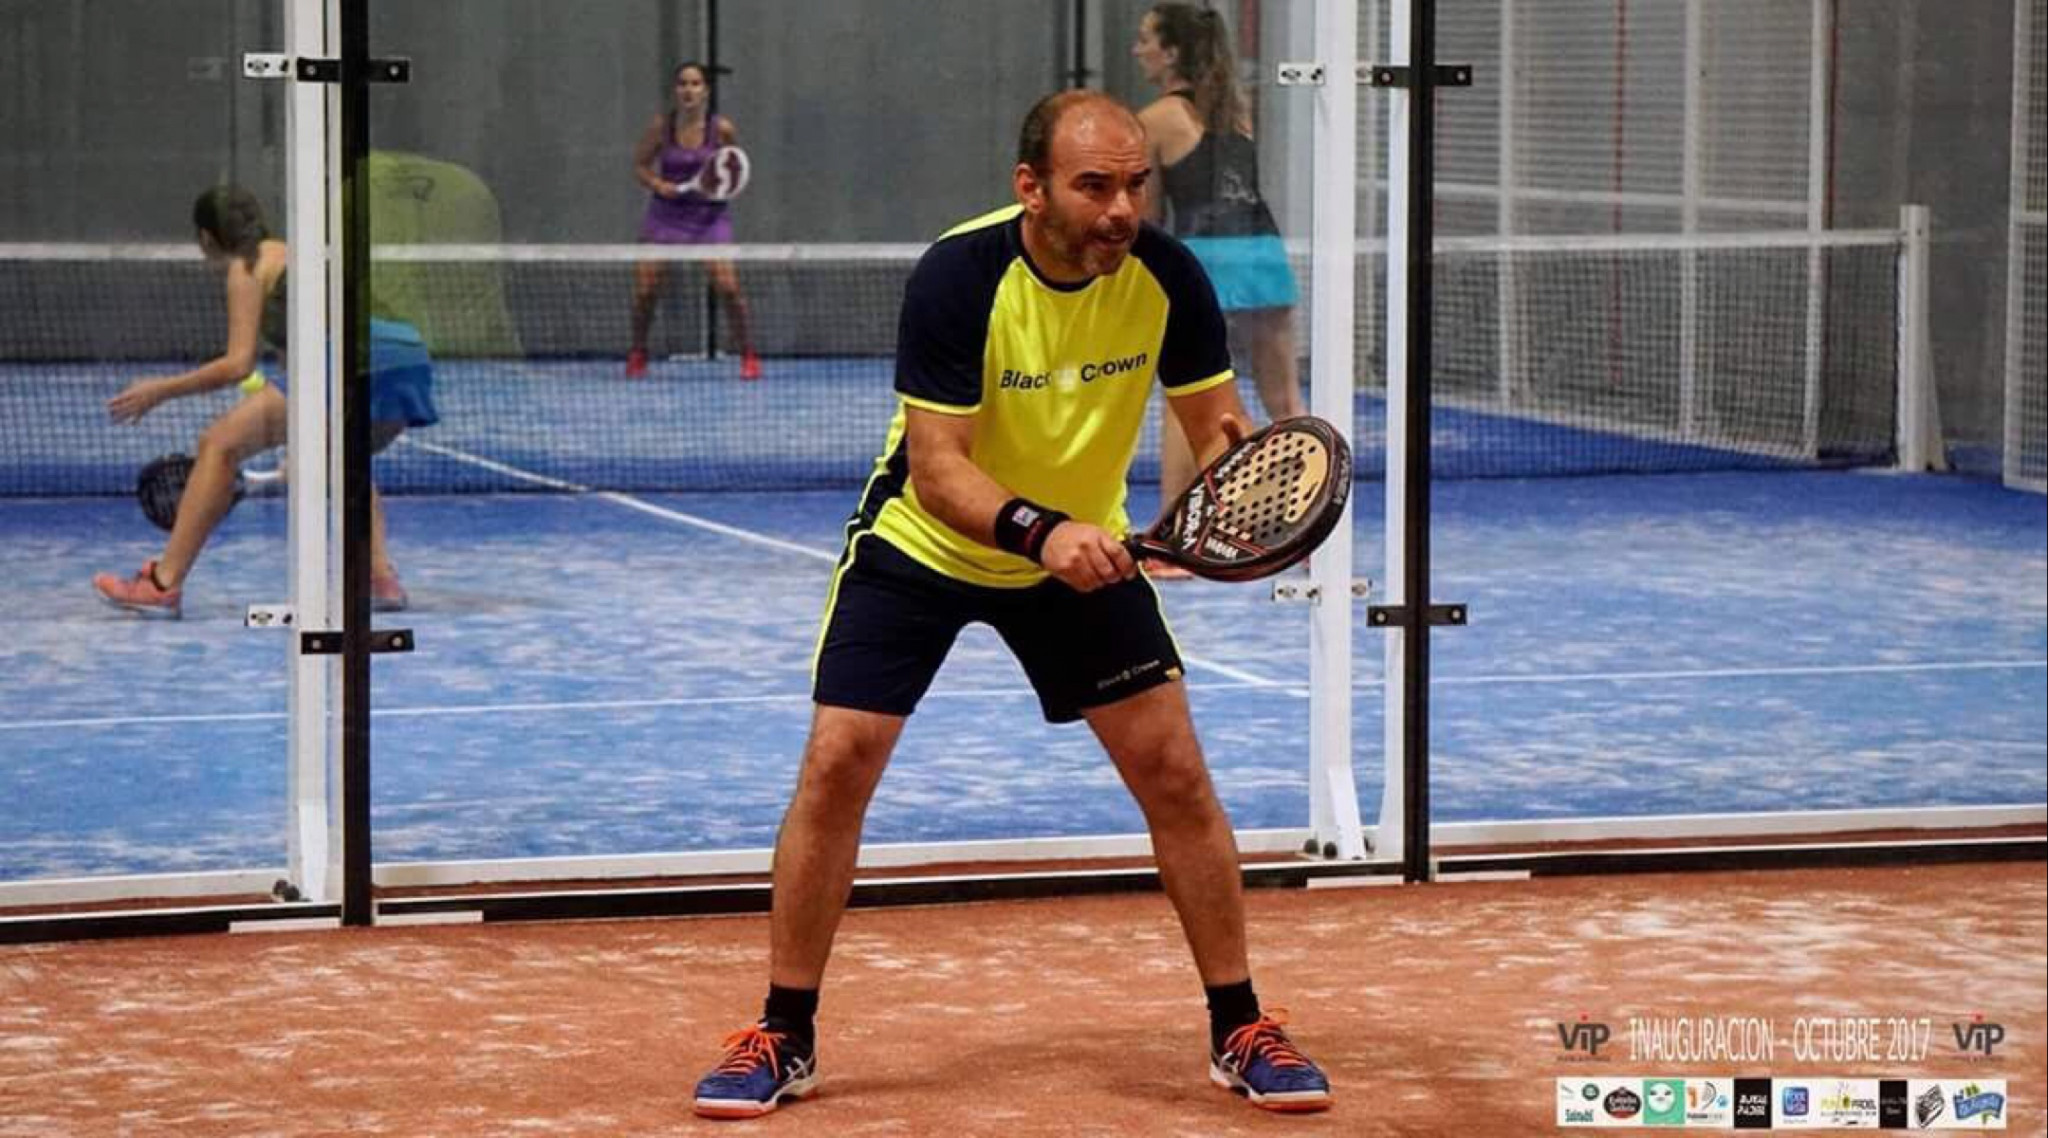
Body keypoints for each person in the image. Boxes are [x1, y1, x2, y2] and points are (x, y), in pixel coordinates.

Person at [687, 90, 1332, 1120]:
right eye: (1094, 187)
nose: (1121, 209)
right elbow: (938, 468)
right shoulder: (960, 275)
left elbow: (1216, 423)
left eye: (1135, 185)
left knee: (1174, 774)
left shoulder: (1167, 275)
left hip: (1082, 559)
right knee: (839, 760)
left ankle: (1239, 1024)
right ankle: (783, 1030)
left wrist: (1242, 495)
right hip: (926, 545)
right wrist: (1043, 533)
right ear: (1030, 187)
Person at [92, 185, 438, 619]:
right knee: (344, 460)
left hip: (355, 360)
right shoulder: (298, 255)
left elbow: (238, 365)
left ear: (206, 237)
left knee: (219, 444)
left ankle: (162, 584)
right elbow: (301, 371)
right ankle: (379, 578)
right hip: (407, 359)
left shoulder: (248, 264)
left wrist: (160, 389)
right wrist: (300, 442)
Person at [1133, 2, 1304, 576]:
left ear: (1171, 52)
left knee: (1184, 401)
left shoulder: (1154, 119)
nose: (1138, 50)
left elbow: (1147, 219)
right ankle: (1307, 532)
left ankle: (1172, 540)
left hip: (1205, 263)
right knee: (1285, 403)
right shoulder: (1238, 109)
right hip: (1265, 256)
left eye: (1146, 40)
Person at [628, 61, 761, 380]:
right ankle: (637, 353)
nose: (688, 90)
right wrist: (658, 184)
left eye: (695, 84)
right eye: (683, 84)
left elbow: (733, 166)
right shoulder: (661, 128)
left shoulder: (722, 129)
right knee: (646, 290)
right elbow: (640, 165)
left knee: (729, 288)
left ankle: (748, 354)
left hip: (708, 217)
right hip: (665, 215)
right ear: (676, 90)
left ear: (706, 91)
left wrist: (714, 188)